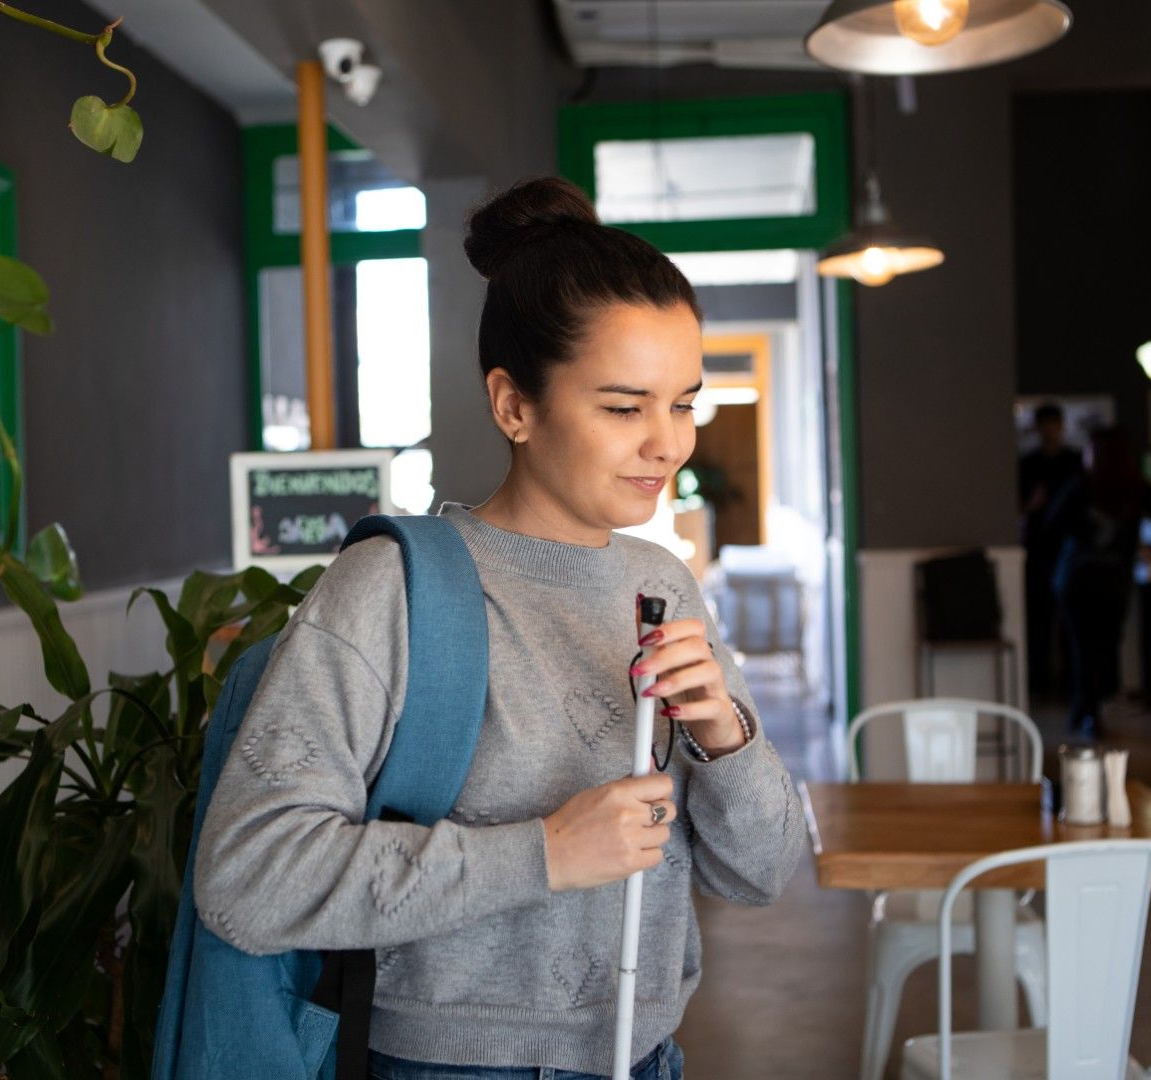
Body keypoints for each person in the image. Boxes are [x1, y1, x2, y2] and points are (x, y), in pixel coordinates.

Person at [193, 176, 803, 1079]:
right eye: (625, 407)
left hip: (649, 1059)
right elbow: (248, 876)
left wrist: (725, 736)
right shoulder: (394, 587)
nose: (668, 444)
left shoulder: (661, 585)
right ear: (514, 405)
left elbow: (764, 873)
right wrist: (544, 854)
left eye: (684, 403)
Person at [1045, 426, 1151, 738]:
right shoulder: (1136, 487)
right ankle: (1089, 710)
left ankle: (1084, 710)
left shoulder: (1082, 486)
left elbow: (1051, 522)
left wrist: (1080, 538)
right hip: (1113, 581)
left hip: (1077, 579)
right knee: (1103, 648)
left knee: (1081, 648)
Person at [1018, 402, 1083, 699]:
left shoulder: (1074, 462)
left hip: (1069, 549)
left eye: (1053, 425)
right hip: (1038, 550)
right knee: (1038, 621)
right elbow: (1018, 507)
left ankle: (1072, 685)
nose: (1049, 431)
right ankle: (1039, 684)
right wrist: (1031, 507)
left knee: (1072, 622)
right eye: (1044, 425)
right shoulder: (1028, 464)